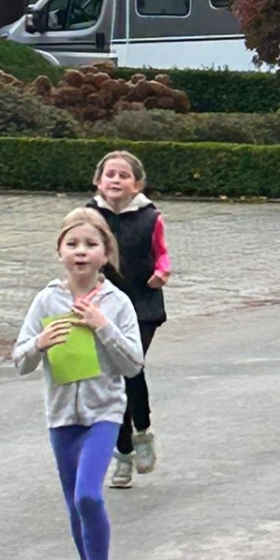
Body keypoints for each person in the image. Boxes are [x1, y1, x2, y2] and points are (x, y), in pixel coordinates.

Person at [13, 208, 145, 560]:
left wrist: (102, 326)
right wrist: (39, 342)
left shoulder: (117, 303)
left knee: (89, 495)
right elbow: (19, 361)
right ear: (59, 253)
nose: (81, 252)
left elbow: (133, 365)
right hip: (61, 417)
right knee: (75, 505)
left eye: (90, 245)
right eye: (72, 245)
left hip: (104, 412)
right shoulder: (46, 300)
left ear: (106, 253)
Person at [88, 149, 170, 489]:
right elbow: (73, 247)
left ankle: (143, 430)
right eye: (110, 174)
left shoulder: (151, 217)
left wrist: (162, 273)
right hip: (102, 305)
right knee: (114, 378)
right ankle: (122, 454)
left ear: (137, 184)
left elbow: (161, 254)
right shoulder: (88, 215)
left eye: (124, 175)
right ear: (98, 181)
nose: (116, 180)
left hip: (142, 306)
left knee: (130, 368)